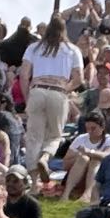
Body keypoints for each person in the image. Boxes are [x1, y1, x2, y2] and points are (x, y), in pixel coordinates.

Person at [22, 15, 79, 168]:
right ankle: (45, 157)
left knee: (34, 138)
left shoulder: (33, 47)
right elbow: (78, 78)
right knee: (55, 135)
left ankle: (33, 182)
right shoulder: (72, 50)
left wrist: (27, 97)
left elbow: (24, 75)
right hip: (58, 92)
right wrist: (64, 89)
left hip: (37, 90)